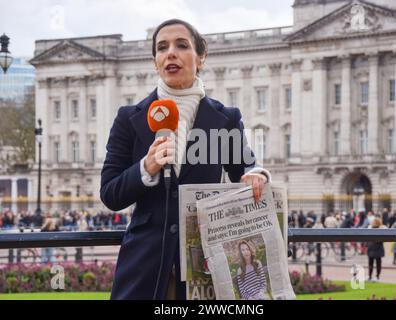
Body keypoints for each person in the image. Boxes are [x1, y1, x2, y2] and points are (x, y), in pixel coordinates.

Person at [100, 19, 270, 300]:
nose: (171, 53)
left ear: (201, 57)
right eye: (162, 48)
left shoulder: (226, 119)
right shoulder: (129, 118)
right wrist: (146, 167)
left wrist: (257, 175)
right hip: (145, 268)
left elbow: (247, 166)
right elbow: (110, 194)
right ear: (155, 62)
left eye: (182, 45)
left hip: (203, 266)